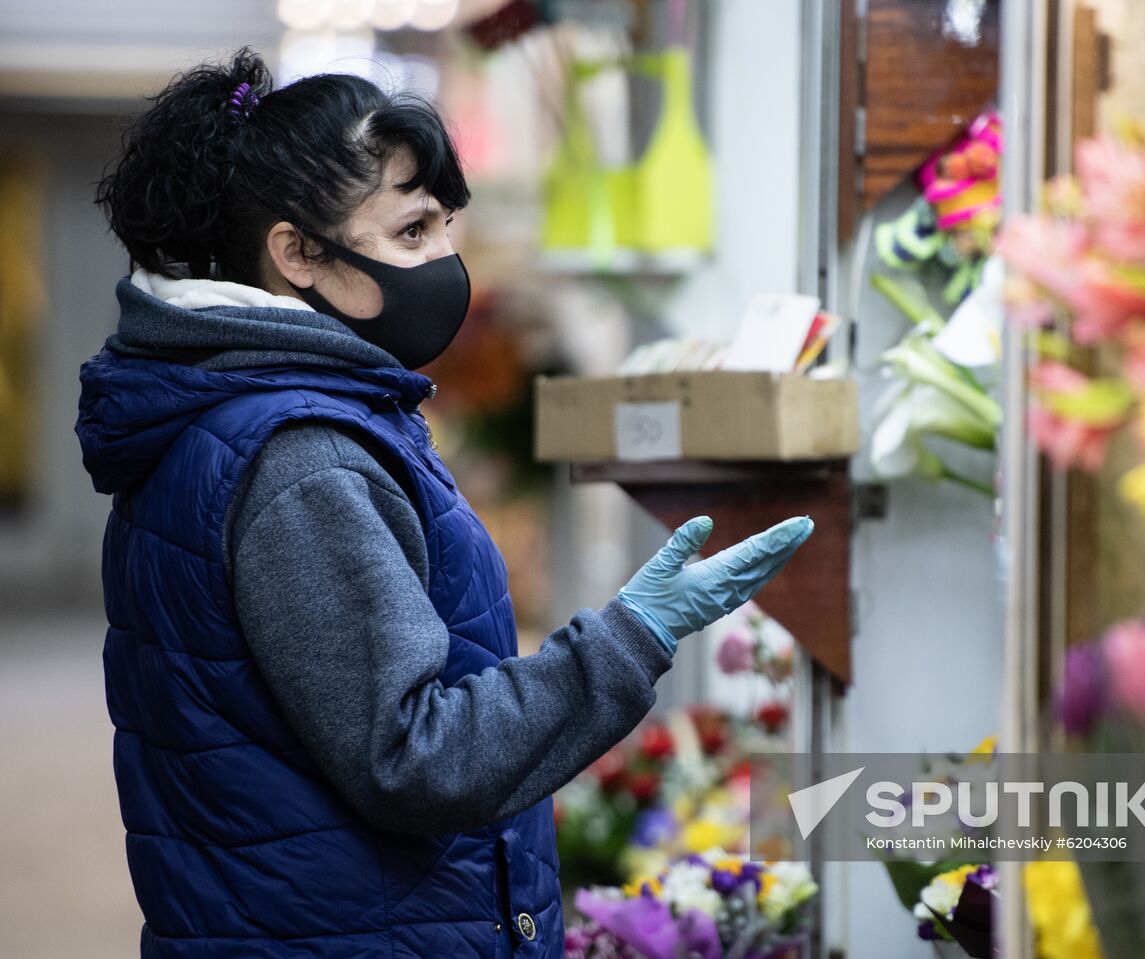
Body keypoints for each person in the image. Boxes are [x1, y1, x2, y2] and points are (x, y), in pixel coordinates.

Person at [75, 48, 813, 959]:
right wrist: (630, 636)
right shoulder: (304, 460)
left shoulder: (241, 416)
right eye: (412, 233)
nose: (446, 263)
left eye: (444, 227)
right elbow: (415, 756)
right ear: (298, 254)